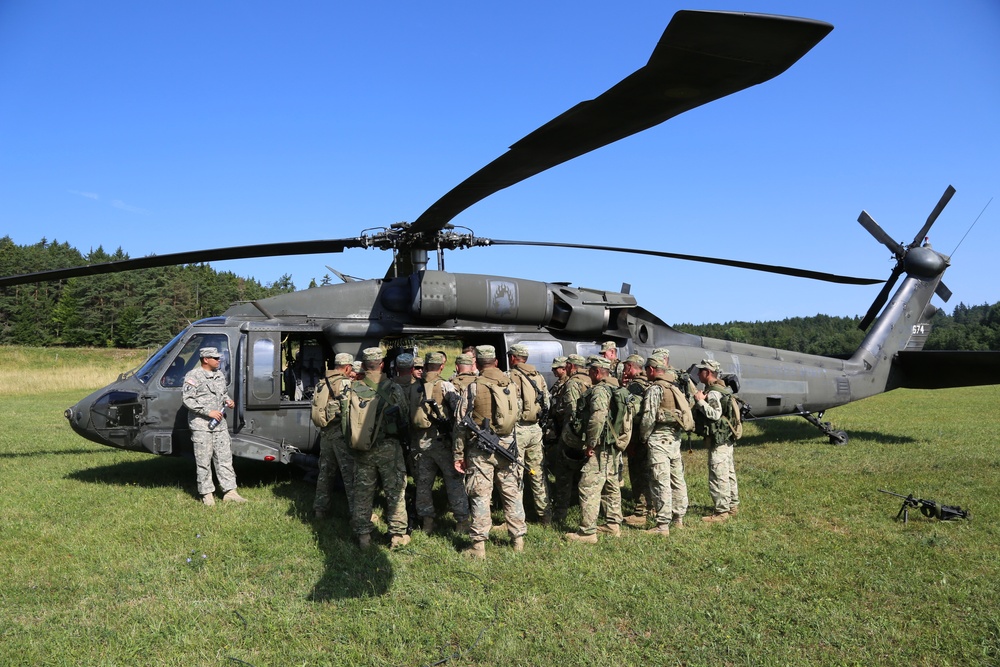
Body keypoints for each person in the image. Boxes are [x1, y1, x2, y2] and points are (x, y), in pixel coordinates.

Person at [453, 345, 526, 559]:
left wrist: (458, 454)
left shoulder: (473, 387)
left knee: (480, 495)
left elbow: (459, 424)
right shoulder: (511, 384)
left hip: (480, 449)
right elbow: (518, 415)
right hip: (507, 447)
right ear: (495, 362)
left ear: (477, 363)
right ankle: (518, 539)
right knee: (512, 493)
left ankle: (478, 547)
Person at [349, 347, 411, 548]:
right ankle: (397, 535)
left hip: (362, 448)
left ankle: (363, 536)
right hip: (388, 448)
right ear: (382, 364)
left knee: (363, 493)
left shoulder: (352, 388)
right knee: (395, 492)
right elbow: (404, 416)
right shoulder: (394, 389)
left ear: (365, 365)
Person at [565, 356, 623, 543]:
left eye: (590, 371)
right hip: (613, 446)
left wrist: (591, 442)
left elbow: (598, 416)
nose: (588, 375)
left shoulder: (599, 390)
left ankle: (587, 532)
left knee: (587, 485)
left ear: (597, 372)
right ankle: (613, 525)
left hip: (601, 447)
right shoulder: (617, 387)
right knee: (611, 485)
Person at [411, 351, 470, 533]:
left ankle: (427, 521)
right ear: (442, 367)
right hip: (442, 443)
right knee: (454, 481)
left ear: (426, 365)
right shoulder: (445, 385)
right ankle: (462, 522)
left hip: (420, 443)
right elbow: (459, 411)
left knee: (423, 483)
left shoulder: (414, 387)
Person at [182, 347, 246, 505]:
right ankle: (207, 494)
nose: (219, 361)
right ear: (205, 359)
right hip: (201, 425)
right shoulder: (193, 376)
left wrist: (227, 400)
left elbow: (222, 394)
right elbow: (187, 399)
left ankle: (230, 491)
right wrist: (207, 412)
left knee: (224, 458)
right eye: (215, 358)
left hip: (220, 425)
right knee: (203, 460)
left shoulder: (219, 375)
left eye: (219, 358)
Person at [638, 354, 690, 535]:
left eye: (647, 370)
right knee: (677, 480)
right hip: (675, 439)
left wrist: (643, 437)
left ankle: (662, 525)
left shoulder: (655, 389)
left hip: (659, 440)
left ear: (651, 370)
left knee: (661, 481)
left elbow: (648, 417)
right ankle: (679, 518)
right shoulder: (673, 387)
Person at [507, 344, 551, 524]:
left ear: (513, 358)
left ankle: (517, 518)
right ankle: (545, 515)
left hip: (518, 429)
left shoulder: (510, 376)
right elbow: (547, 401)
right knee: (537, 472)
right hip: (535, 429)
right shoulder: (538, 376)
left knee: (514, 473)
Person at [694, 358, 740, 522]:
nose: (698, 373)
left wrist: (699, 401)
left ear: (708, 372)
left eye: (701, 371)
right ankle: (732, 505)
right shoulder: (722, 387)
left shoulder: (713, 392)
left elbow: (714, 414)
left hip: (718, 439)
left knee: (718, 474)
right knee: (728, 472)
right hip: (726, 437)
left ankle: (721, 512)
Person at [311, 352, 355, 519]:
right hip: (340, 434)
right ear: (347, 367)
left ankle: (320, 510)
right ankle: (356, 512)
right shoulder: (344, 383)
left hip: (325, 434)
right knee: (349, 474)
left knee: (325, 474)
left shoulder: (322, 383)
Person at [550, 354, 591, 524]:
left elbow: (571, 412)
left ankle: (560, 514)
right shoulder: (592, 380)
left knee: (564, 475)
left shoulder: (573, 383)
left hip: (573, 436)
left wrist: (567, 436)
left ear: (571, 366)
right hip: (588, 435)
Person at [622, 354, 653, 527]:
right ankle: (652, 506)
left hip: (638, 436)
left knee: (638, 473)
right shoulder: (649, 383)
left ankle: (641, 511)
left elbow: (630, 416)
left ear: (631, 367)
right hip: (650, 435)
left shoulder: (634, 386)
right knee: (649, 473)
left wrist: (631, 441)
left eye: (626, 366)